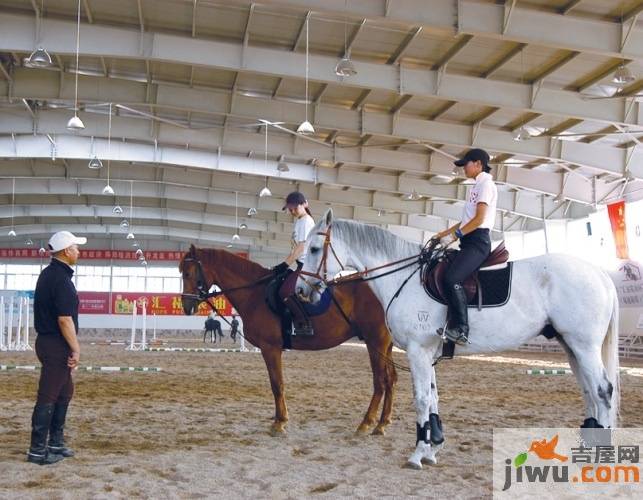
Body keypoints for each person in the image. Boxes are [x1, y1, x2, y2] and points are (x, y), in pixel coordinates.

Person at [27, 230, 86, 465]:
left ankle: (55, 442)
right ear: (66, 251)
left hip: (50, 342)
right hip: (56, 344)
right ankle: (37, 450)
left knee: (64, 392)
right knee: (48, 395)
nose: (79, 251)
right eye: (76, 248)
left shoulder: (51, 274)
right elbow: (65, 320)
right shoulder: (60, 280)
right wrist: (76, 348)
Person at [432, 148, 497, 345]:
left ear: (478, 164)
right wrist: (441, 235)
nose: (463, 169)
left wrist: (454, 236)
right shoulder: (476, 186)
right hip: (469, 240)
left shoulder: (485, 185)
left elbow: (478, 220)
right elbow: (464, 221)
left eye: (466, 165)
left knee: (452, 278)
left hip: (477, 242)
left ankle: (461, 329)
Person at [272, 191, 316, 335]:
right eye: (290, 209)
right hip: (300, 264)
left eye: (294, 208)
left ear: (305, 204)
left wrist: (285, 264)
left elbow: (301, 247)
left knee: (285, 291)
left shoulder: (306, 221)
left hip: (307, 266)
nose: (292, 211)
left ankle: (305, 323)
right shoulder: (299, 221)